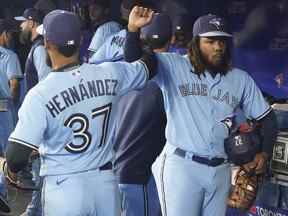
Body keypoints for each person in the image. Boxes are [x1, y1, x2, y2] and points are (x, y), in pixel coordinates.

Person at [125, 8, 278, 216]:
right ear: (196, 43)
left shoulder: (239, 79)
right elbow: (134, 59)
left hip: (220, 170)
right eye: (210, 41)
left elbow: (268, 119)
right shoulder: (173, 65)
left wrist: (265, 152)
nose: (218, 47)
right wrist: (133, 30)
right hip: (182, 166)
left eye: (222, 42)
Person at [5, 9, 156, 216]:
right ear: (81, 39)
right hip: (105, 184)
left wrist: (8, 169)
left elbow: (16, 157)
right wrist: (132, 31)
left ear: (48, 44)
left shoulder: (40, 94)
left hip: (64, 187)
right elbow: (150, 66)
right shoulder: (111, 72)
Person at [114, 13, 171, 216]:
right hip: (141, 174)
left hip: (117, 169)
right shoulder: (172, 76)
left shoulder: (125, 71)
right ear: (171, 39)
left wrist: (131, 30)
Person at [15, 8, 51, 93]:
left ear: (31, 23)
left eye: (23, 22)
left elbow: (45, 84)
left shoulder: (40, 48)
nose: (21, 26)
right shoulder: (37, 45)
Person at [0, 19, 22, 154]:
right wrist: (13, 105)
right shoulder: (9, 56)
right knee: (10, 149)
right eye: (10, 35)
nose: (11, 38)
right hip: (5, 106)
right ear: (4, 34)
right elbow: (14, 85)